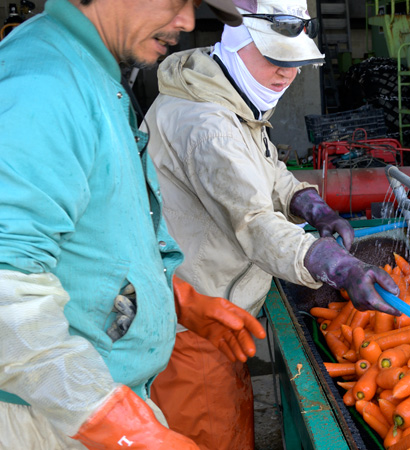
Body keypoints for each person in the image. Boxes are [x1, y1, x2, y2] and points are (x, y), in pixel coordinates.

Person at [0, 0, 267, 448]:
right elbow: (8, 297)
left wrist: (175, 300)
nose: (185, 22)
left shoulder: (92, 72)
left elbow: (96, 238)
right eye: (176, 0)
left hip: (93, 403)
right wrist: (128, 432)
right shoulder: (43, 87)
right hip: (47, 419)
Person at [142, 0, 401, 447]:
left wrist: (309, 204)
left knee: (231, 418)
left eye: (294, 62)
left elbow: (266, 171)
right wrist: (338, 267)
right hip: (191, 326)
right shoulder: (210, 125)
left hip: (214, 310)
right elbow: (255, 222)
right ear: (237, 41)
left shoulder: (226, 96)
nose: (287, 74)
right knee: (209, 434)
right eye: (275, 59)